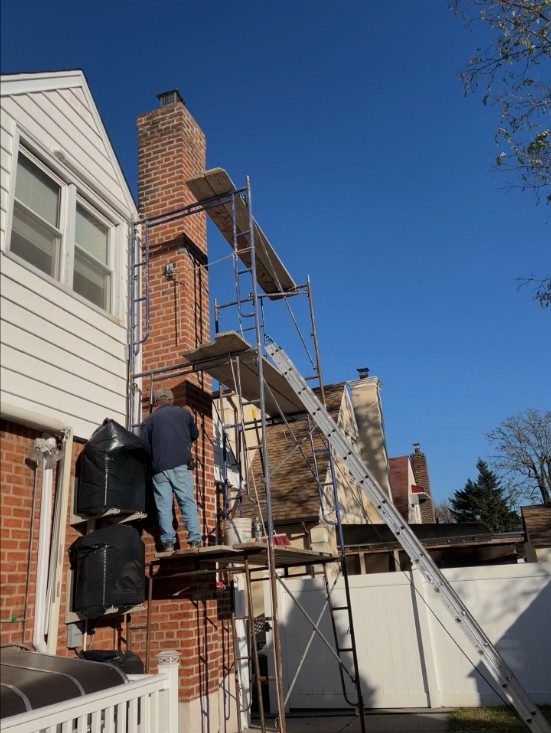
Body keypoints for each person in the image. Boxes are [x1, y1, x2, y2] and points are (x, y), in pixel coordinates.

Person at [140, 387, 201, 552]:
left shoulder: (148, 420)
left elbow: (144, 446)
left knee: (164, 506)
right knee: (186, 502)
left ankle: (168, 543)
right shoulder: (184, 414)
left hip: (159, 469)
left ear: (156, 403)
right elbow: (195, 435)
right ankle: (194, 540)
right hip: (181, 465)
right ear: (172, 400)